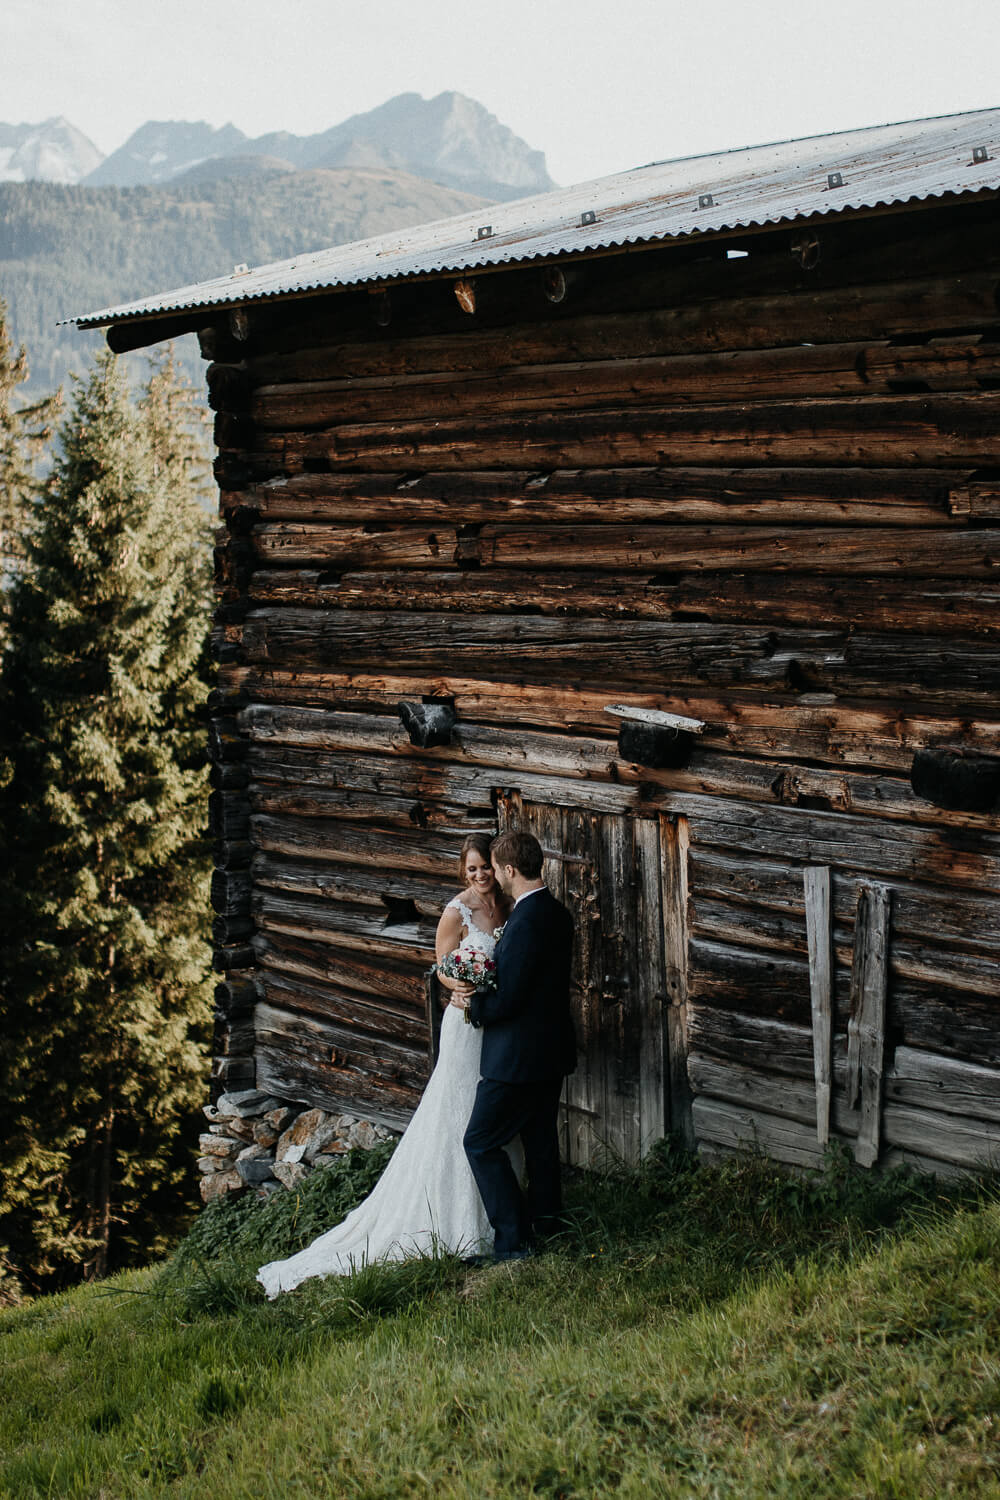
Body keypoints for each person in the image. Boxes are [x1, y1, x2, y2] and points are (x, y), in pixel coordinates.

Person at [256, 833, 513, 1298]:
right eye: (472, 868)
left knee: (489, 1107)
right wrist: (462, 984)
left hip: (496, 1025)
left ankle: (501, 1209)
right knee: (458, 1112)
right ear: (464, 871)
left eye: (486, 867)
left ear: (498, 867)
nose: (480, 875)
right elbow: (441, 968)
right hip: (464, 1024)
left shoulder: (508, 907)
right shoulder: (457, 911)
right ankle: (454, 1221)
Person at [457, 830, 576, 1262]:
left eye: (496, 868)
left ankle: (513, 1242)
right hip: (551, 1051)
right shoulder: (558, 913)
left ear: (509, 869)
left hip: (518, 1058)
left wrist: (472, 1004)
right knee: (540, 1138)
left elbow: (510, 997)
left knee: (480, 1143)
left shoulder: (525, 921)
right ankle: (549, 1224)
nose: (495, 876)